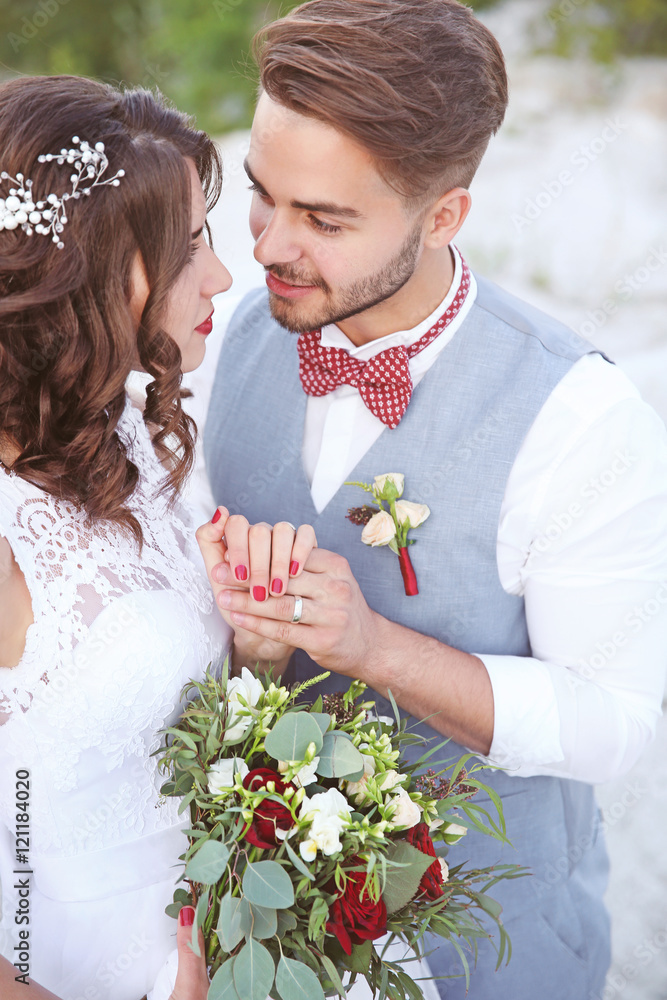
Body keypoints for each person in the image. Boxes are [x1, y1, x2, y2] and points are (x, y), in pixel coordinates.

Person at [191, 1, 667, 997]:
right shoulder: (237, 330)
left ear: (442, 216)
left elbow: (616, 721)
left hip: (483, 958)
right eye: (262, 196)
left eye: (324, 221)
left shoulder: (576, 416)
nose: (270, 248)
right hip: (250, 940)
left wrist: (374, 648)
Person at [0, 75, 315, 1000]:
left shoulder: (121, 428)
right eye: (185, 247)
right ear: (88, 274)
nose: (222, 275)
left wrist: (255, 655)